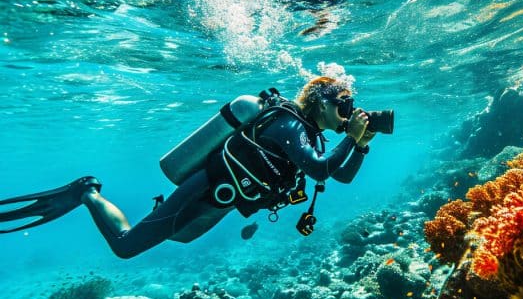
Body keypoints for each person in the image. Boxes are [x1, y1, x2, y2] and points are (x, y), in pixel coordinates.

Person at [0, 77, 375, 258]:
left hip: (220, 201)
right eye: (344, 104)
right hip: (205, 187)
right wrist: (352, 136)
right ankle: (86, 191)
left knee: (174, 237)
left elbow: (339, 173)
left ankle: (124, 203)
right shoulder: (288, 123)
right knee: (126, 247)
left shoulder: (306, 131)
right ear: (321, 102)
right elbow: (321, 170)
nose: (347, 112)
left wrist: (359, 144)